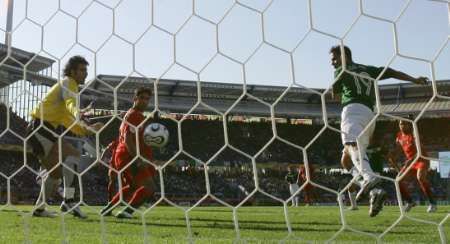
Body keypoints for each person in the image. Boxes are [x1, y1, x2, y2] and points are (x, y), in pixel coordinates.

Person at [330, 45, 428, 217]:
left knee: (351, 145)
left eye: (334, 58)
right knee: (345, 159)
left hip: (352, 111)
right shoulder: (367, 69)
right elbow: (389, 71)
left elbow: (335, 94)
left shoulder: (341, 70)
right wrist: (414, 79)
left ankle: (369, 179)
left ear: (344, 56)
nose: (333, 63)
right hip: (370, 114)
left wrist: (337, 86)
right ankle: (374, 192)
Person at [27, 55, 103, 218]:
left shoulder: (69, 86)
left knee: (73, 156)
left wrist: (87, 129)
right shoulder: (69, 82)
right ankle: (41, 207)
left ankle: (68, 200)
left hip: (47, 130)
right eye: (82, 70)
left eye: (86, 70)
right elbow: (71, 106)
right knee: (55, 174)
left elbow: (68, 120)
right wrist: (79, 115)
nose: (85, 73)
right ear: (72, 71)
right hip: (40, 129)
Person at [101, 87, 157, 218]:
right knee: (150, 187)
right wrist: (138, 158)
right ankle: (126, 212)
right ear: (135, 99)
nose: (145, 101)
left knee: (132, 186)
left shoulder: (134, 115)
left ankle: (108, 208)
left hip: (124, 156)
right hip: (129, 156)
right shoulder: (134, 115)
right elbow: (127, 139)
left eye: (147, 99)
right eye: (142, 98)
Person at [388, 119, 437, 213]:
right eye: (401, 124)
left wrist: (409, 161)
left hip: (422, 159)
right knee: (398, 180)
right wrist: (393, 156)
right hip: (411, 162)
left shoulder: (414, 135)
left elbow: (419, 152)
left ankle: (432, 203)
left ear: (409, 125)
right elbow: (399, 149)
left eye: (405, 124)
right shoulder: (399, 136)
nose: (402, 126)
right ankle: (409, 202)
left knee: (420, 177)